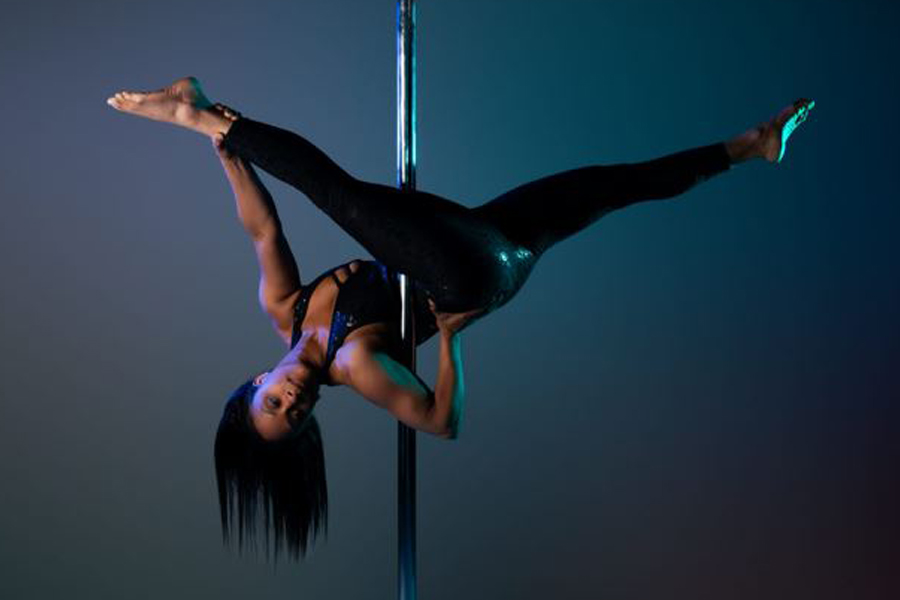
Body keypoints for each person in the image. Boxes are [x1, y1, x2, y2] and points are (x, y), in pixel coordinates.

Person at [107, 76, 813, 557]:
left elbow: (262, 230)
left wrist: (224, 157)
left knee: (607, 186)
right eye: (294, 416)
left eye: (272, 401)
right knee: (340, 197)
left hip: (475, 241)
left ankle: (751, 146)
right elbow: (441, 421)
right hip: (464, 275)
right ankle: (200, 108)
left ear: (257, 380)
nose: (290, 401)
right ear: (308, 421)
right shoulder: (358, 366)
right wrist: (448, 341)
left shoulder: (284, 311)